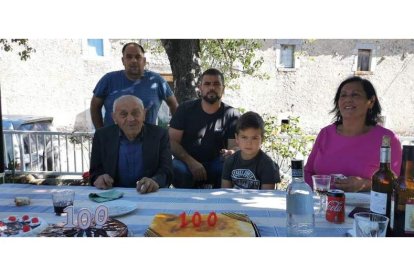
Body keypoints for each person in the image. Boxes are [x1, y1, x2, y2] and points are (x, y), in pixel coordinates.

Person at [304, 76, 402, 192]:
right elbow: (308, 172)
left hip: (366, 208)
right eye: (343, 95)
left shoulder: (387, 139)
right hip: (323, 205)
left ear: (371, 102)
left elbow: (396, 184)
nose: (348, 99)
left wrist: (364, 184)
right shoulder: (325, 133)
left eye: (355, 95)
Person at [169, 68, 240, 189]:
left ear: (223, 88)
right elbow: (171, 142)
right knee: (175, 167)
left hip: (217, 165)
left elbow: (234, 147)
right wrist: (191, 162)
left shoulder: (232, 114)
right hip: (187, 163)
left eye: (216, 84)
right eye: (207, 84)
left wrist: (231, 152)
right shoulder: (185, 110)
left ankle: (220, 205)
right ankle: (184, 204)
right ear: (200, 88)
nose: (211, 87)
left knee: (228, 166)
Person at [89, 95, 173, 194]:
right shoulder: (102, 136)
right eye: (123, 114)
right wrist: (100, 178)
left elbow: (166, 170)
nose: (130, 119)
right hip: (113, 194)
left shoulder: (160, 135)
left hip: (149, 194)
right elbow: (95, 172)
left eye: (136, 113)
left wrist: (155, 181)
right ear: (114, 117)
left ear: (144, 114)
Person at [90, 42, 178, 128]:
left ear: (144, 61)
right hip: (113, 140)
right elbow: (95, 106)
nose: (133, 60)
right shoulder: (108, 80)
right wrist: (100, 133)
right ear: (123, 61)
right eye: (129, 57)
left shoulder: (157, 81)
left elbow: (174, 105)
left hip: (148, 141)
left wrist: (174, 132)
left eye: (138, 57)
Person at [221, 111, 281, 190]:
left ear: (262, 139)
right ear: (237, 138)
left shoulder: (267, 165)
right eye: (244, 137)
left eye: (254, 138)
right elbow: (225, 192)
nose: (249, 143)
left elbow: (267, 197)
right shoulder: (230, 161)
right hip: (233, 201)